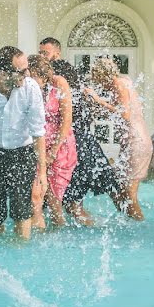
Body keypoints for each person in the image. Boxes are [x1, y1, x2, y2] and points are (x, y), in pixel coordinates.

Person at [0, 46, 48, 240]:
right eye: (22, 71)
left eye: (27, 69)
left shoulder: (30, 88)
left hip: (22, 152)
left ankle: (20, 251)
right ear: (3, 72)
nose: (28, 74)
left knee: (22, 209)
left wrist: (42, 173)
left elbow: (38, 133)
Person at [85, 58, 150, 221]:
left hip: (136, 142)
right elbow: (119, 112)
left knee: (129, 195)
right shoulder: (123, 81)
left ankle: (140, 227)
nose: (96, 82)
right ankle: (130, 224)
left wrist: (100, 101)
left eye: (96, 77)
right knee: (120, 190)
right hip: (131, 141)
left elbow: (125, 115)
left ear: (103, 75)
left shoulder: (119, 84)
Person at [60, 65, 120, 227]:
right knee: (114, 192)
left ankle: (93, 226)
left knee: (72, 204)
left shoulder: (63, 96)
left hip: (75, 150)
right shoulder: (82, 93)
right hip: (91, 147)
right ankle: (126, 222)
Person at [27, 54, 77, 229]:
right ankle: (36, 239)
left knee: (55, 201)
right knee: (35, 198)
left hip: (60, 147)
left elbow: (67, 120)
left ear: (43, 75)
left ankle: (58, 235)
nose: (31, 82)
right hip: (37, 145)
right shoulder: (27, 87)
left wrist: (53, 151)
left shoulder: (59, 84)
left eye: (34, 77)